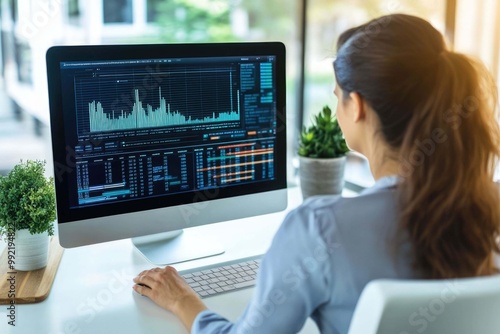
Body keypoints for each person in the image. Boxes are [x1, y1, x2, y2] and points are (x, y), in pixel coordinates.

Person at [132, 13, 500, 333]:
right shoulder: (489, 203)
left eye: (337, 93)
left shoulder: (320, 228)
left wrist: (184, 301)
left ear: (355, 106)